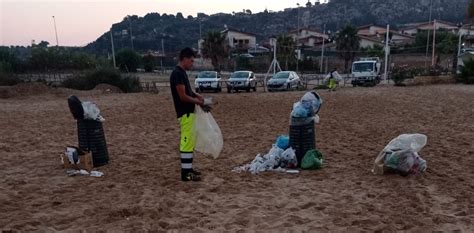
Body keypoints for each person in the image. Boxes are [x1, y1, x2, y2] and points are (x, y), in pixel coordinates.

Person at [170, 47, 204, 182]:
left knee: (189, 142)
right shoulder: (177, 74)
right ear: (184, 59)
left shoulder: (181, 73)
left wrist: (197, 95)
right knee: (186, 143)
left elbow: (188, 92)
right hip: (185, 114)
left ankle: (188, 169)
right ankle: (186, 173)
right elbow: (183, 96)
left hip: (189, 113)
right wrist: (197, 101)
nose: (192, 63)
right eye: (191, 61)